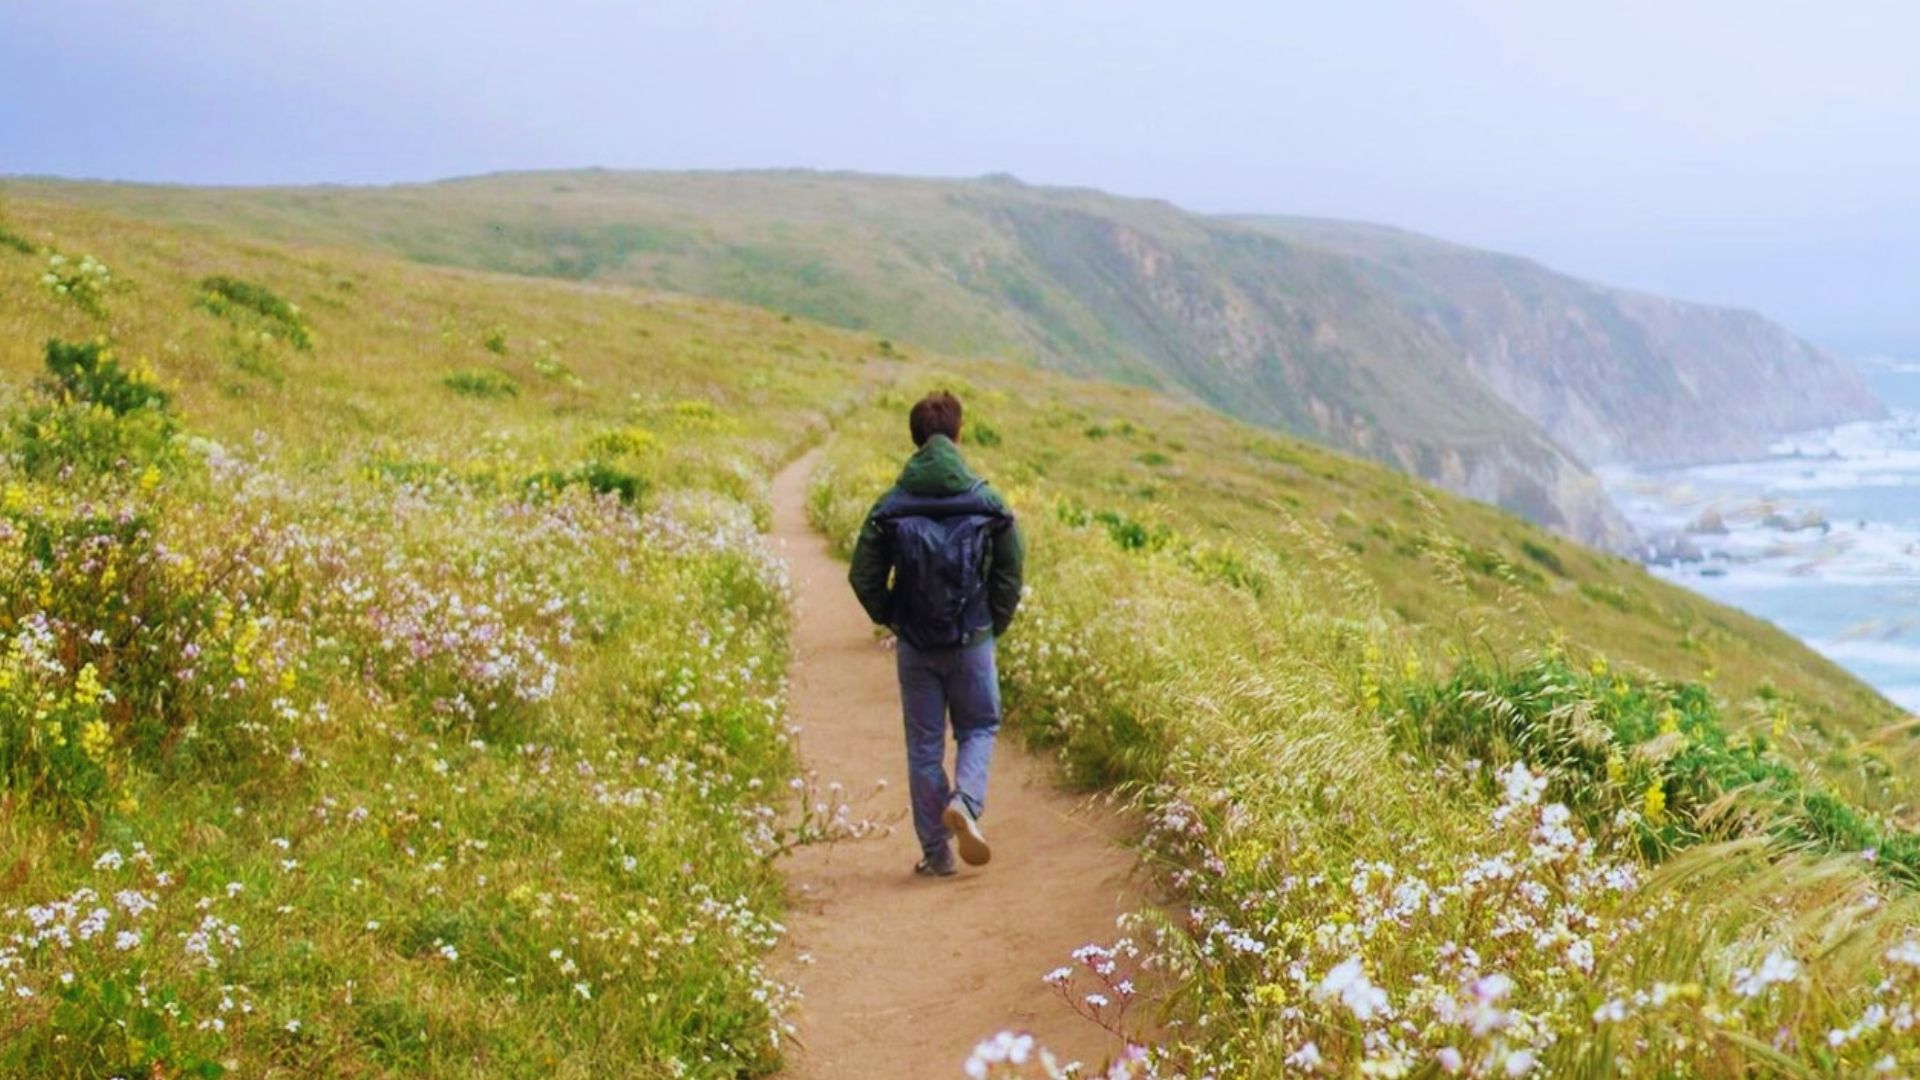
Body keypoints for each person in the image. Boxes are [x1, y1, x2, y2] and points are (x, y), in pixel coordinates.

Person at [849, 390, 1025, 877]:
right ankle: (965, 803)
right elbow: (1011, 573)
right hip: (972, 640)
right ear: (958, 434)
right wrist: (993, 625)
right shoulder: (987, 500)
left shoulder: (891, 505)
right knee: (979, 727)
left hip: (916, 646)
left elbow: (862, 576)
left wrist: (896, 617)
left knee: (924, 747)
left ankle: (936, 855)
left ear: (915, 438)